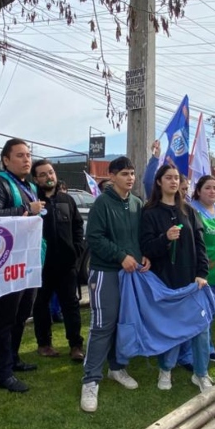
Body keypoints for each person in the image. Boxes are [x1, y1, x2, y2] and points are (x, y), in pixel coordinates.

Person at [79, 156, 146, 412]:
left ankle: (117, 368)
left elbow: (140, 237)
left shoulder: (137, 204)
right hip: (106, 273)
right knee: (102, 326)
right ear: (113, 176)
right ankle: (91, 380)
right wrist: (121, 256)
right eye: (125, 174)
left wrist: (143, 255)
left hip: (130, 274)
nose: (130, 178)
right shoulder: (101, 204)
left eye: (132, 173)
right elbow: (93, 238)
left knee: (122, 323)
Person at [141, 164, 213, 393]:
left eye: (176, 178)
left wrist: (202, 274)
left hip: (193, 282)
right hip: (165, 283)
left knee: (201, 327)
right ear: (159, 182)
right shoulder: (149, 212)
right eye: (168, 178)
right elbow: (146, 248)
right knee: (171, 328)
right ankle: (166, 370)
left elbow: (201, 246)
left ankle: (201, 374)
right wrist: (165, 238)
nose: (173, 182)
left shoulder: (189, 211)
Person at [0, 138, 45, 393]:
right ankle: (1, 373)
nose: (26, 159)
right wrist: (25, 209)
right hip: (8, 264)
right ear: (6, 160)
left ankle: (13, 359)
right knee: (5, 319)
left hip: (28, 261)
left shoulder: (28, 185)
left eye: (28, 154)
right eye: (20, 155)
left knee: (21, 315)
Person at [30, 159, 85, 361]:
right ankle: (44, 344)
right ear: (36, 179)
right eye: (43, 174)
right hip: (40, 265)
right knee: (41, 305)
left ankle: (76, 346)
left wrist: (77, 249)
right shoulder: (32, 201)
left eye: (51, 172)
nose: (48, 177)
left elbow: (78, 227)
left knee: (70, 305)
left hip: (66, 265)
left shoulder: (67, 200)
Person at [190, 175, 215, 363]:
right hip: (200, 268)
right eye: (208, 188)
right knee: (199, 310)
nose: (212, 191)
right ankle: (203, 348)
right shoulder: (192, 209)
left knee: (213, 308)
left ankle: (206, 343)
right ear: (198, 191)